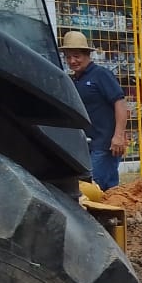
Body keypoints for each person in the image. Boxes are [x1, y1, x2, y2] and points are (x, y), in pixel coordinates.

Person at [59, 31, 129, 190]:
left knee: (93, 189)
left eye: (76, 56)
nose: (72, 61)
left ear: (87, 55)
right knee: (102, 190)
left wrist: (118, 136)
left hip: (104, 145)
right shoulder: (74, 80)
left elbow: (120, 104)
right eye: (68, 57)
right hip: (86, 146)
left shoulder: (101, 75)